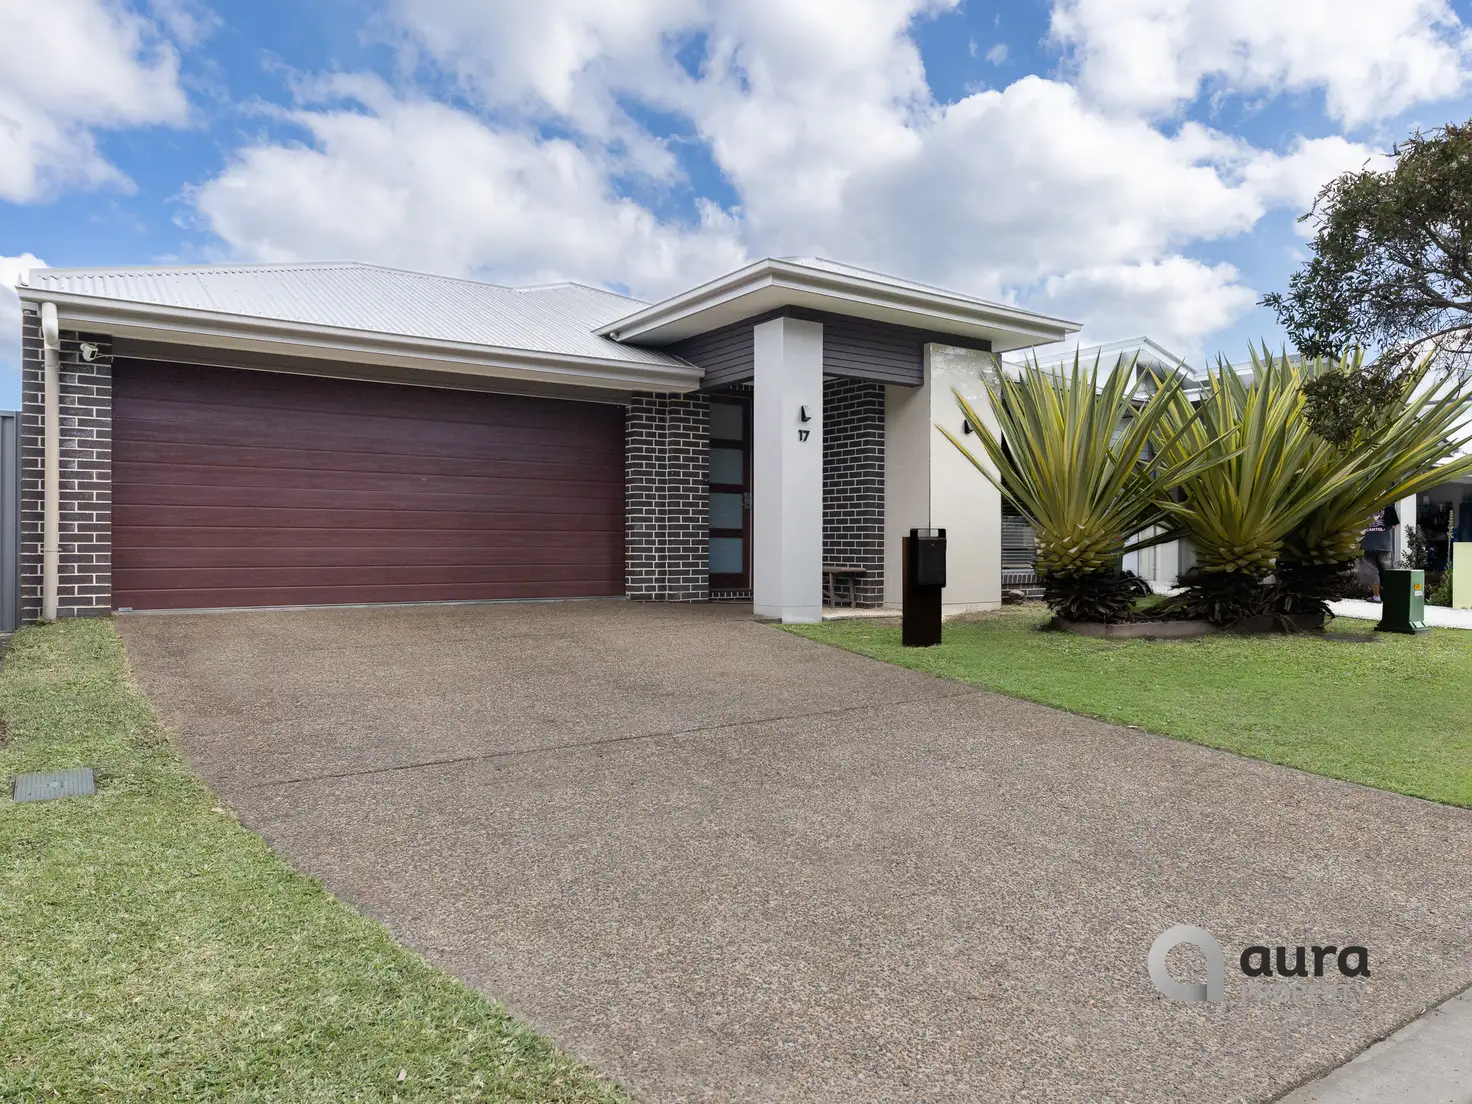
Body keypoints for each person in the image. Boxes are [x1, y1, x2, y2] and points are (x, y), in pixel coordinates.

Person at [1360, 507, 1396, 601]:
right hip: (1384, 544)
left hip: (1368, 544)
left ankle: (1376, 596)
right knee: (1387, 572)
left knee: (1371, 571)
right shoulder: (1389, 508)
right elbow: (1393, 526)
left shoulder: (1363, 507)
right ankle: (1390, 596)